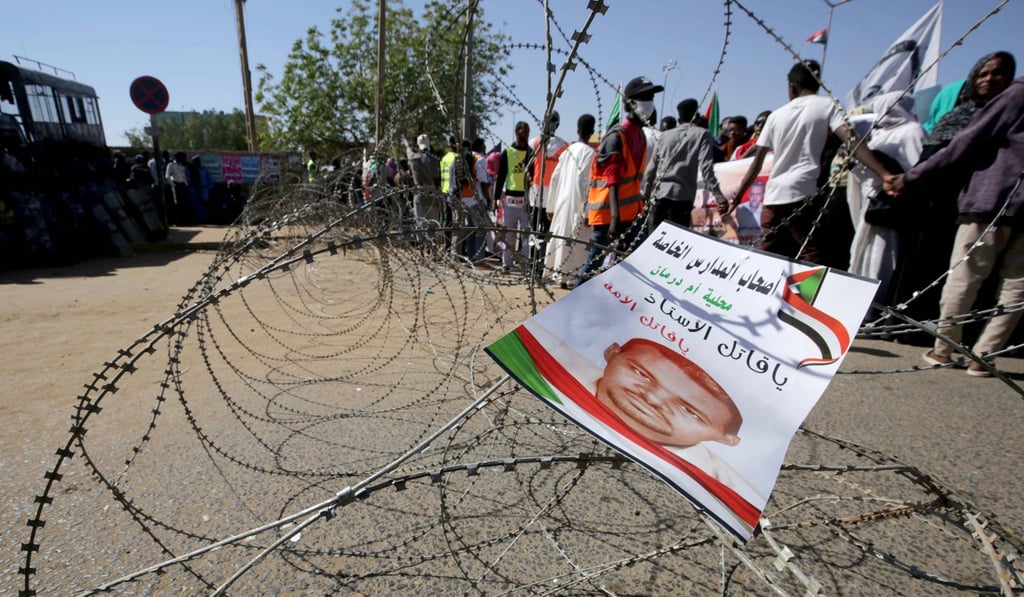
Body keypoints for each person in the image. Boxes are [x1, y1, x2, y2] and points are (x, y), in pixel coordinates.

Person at [489, 320, 762, 534]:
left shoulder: (730, 493)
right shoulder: (544, 357)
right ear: (611, 353)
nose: (651, 398)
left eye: (689, 410)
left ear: (727, 439)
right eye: (641, 374)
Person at [886, 73, 1023, 377]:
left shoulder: (1016, 95)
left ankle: (946, 348)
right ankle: (985, 354)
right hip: (1003, 204)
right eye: (985, 73)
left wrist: (911, 177)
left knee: (967, 276)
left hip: (992, 199)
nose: (991, 79)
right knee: (1016, 285)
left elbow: (966, 141)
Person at [721, 60, 893, 265]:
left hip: (774, 198)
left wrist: (737, 198)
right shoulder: (827, 105)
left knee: (766, 255)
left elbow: (755, 165)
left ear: (791, 87)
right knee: (811, 256)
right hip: (803, 196)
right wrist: (884, 173)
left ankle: (760, 293)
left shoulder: (776, 116)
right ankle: (806, 297)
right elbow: (852, 141)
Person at [577, 75, 663, 286]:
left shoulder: (640, 136)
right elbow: (612, 177)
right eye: (644, 97)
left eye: (650, 97)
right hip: (609, 212)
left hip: (632, 211)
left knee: (638, 258)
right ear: (630, 103)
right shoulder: (617, 136)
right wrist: (615, 217)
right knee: (595, 261)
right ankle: (572, 305)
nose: (649, 102)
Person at [847, 91, 926, 315]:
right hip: (871, 204)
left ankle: (873, 309)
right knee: (862, 255)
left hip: (892, 207)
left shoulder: (912, 132)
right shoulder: (878, 134)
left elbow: (916, 170)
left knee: (882, 258)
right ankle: (857, 309)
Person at [643, 98, 726, 232]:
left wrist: (647, 199)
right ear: (696, 115)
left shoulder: (665, 136)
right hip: (682, 199)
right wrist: (719, 196)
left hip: (659, 197)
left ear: (679, 118)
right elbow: (706, 169)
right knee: (674, 243)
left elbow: (650, 171)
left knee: (653, 242)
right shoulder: (702, 134)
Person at [544, 114, 596, 288]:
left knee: (562, 239)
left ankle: (560, 276)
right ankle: (571, 278)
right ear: (593, 131)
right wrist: (588, 211)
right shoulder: (590, 154)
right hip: (577, 204)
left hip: (562, 202)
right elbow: (585, 183)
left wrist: (550, 206)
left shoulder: (568, 151)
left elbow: (555, 178)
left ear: (577, 130)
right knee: (578, 243)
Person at [493, 121, 534, 274]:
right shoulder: (508, 152)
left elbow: (534, 176)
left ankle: (525, 265)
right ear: (517, 132)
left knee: (525, 235)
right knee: (509, 234)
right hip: (510, 198)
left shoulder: (531, 153)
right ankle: (506, 264)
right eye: (524, 131)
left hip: (525, 200)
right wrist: (495, 199)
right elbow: (501, 176)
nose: (527, 134)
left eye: (528, 131)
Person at [529, 111, 569, 237]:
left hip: (553, 195)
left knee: (549, 231)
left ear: (557, 123)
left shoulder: (563, 145)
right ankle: (533, 255)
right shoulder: (535, 142)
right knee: (534, 231)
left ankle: (545, 256)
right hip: (535, 193)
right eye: (548, 120)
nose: (550, 124)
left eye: (553, 120)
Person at [404, 134, 442, 225]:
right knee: (433, 224)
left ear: (418, 145)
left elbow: (408, 151)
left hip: (419, 193)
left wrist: (406, 143)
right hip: (432, 194)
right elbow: (437, 179)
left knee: (420, 225)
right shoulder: (435, 160)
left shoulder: (413, 158)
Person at [186, 155, 212, 224]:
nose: (197, 162)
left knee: (204, 203)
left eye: (198, 161)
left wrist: (209, 188)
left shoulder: (204, 169)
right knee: (196, 204)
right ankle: (198, 220)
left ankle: (205, 220)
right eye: (195, 161)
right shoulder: (190, 169)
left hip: (203, 188)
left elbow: (210, 179)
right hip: (194, 188)